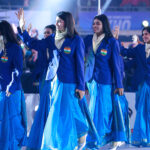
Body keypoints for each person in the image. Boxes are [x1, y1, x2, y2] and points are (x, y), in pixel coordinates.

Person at [41, 11, 89, 150]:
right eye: (56, 21)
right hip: (57, 83)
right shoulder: (53, 39)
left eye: (60, 21)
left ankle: (80, 138)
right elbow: (36, 44)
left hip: (71, 84)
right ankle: (62, 144)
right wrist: (22, 29)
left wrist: (81, 86)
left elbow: (80, 65)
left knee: (72, 113)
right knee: (58, 113)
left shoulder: (76, 40)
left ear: (67, 22)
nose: (57, 24)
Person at [16, 8, 57, 149]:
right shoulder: (44, 43)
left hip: (55, 79)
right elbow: (30, 42)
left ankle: (48, 139)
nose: (46, 35)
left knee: (51, 107)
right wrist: (22, 27)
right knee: (45, 107)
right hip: (44, 79)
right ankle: (43, 139)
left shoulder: (55, 43)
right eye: (44, 32)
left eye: (48, 33)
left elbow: (31, 42)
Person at [84, 14, 124, 149]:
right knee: (93, 111)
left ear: (104, 25)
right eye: (94, 23)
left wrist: (119, 84)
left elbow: (116, 64)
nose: (95, 26)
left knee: (105, 112)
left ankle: (107, 137)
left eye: (98, 24)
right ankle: (93, 141)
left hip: (106, 82)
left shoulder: (111, 42)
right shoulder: (88, 40)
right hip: (91, 81)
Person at [119, 26, 150, 147]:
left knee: (146, 110)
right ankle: (141, 138)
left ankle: (144, 138)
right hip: (142, 84)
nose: (145, 36)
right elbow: (126, 53)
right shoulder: (139, 49)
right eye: (143, 34)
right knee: (140, 109)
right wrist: (117, 42)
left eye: (147, 34)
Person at [0, 20, 27, 150]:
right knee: (2, 123)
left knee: (14, 122)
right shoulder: (0, 48)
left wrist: (10, 88)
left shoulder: (15, 48)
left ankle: (16, 146)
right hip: (1, 91)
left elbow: (18, 71)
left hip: (12, 91)